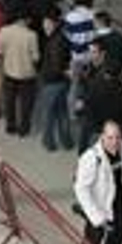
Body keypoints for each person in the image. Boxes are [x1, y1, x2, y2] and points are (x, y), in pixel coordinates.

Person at [0, 8, 39, 136]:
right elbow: (35, 57)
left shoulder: (4, 31)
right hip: (27, 75)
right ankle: (24, 128)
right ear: (26, 20)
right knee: (26, 103)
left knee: (10, 100)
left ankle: (10, 125)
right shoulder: (31, 35)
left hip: (9, 72)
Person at [34, 10, 73, 152]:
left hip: (52, 82)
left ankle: (49, 142)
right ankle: (67, 141)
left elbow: (56, 66)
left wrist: (47, 74)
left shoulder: (55, 41)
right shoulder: (61, 37)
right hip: (63, 83)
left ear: (55, 24)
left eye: (47, 23)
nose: (44, 26)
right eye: (44, 23)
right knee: (62, 112)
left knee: (48, 113)